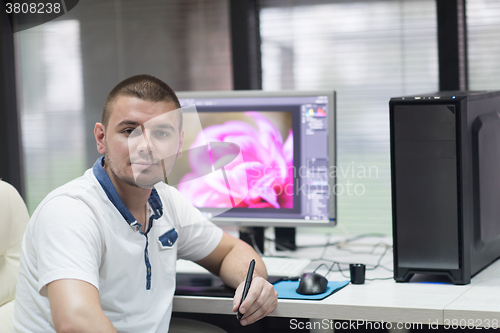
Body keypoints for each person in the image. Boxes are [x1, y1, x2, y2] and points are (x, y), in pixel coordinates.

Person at [13, 75, 278, 332]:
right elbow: (76, 322)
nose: (146, 146)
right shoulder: (70, 211)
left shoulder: (166, 200)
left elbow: (231, 251)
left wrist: (253, 282)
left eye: (161, 133)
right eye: (129, 131)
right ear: (101, 138)